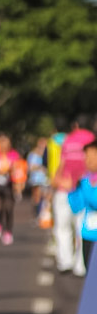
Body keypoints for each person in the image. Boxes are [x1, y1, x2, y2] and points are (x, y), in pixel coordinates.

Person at [52, 118, 94, 276]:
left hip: (65, 187)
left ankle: (65, 261)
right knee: (81, 227)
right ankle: (81, 265)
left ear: (75, 125)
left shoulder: (68, 139)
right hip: (85, 189)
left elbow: (61, 165)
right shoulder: (91, 139)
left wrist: (58, 180)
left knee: (63, 227)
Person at [68, 142, 97, 272]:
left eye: (91, 157)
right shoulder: (85, 180)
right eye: (86, 157)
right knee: (90, 274)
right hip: (88, 234)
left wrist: (87, 188)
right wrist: (72, 188)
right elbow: (76, 207)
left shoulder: (86, 183)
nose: (87, 161)